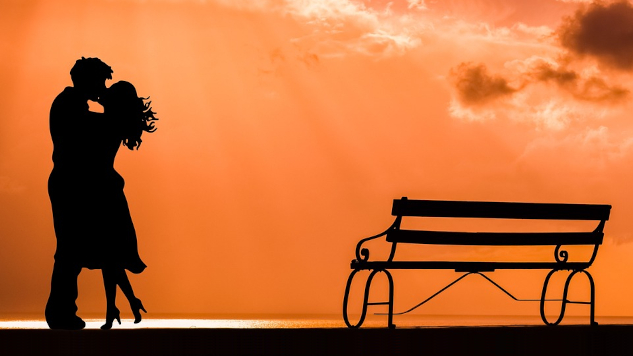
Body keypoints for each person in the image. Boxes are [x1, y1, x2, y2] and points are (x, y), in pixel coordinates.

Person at [46, 57, 113, 329]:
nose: (102, 87)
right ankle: (60, 312)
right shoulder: (69, 105)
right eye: (100, 81)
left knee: (71, 250)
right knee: (69, 250)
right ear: (89, 80)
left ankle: (62, 310)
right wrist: (115, 114)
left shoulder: (72, 104)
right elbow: (90, 129)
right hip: (68, 184)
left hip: (72, 183)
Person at [96, 80, 157, 329]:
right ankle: (120, 304)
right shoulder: (117, 122)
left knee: (108, 255)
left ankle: (118, 306)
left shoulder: (106, 123)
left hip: (102, 190)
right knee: (109, 255)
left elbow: (94, 113)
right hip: (106, 188)